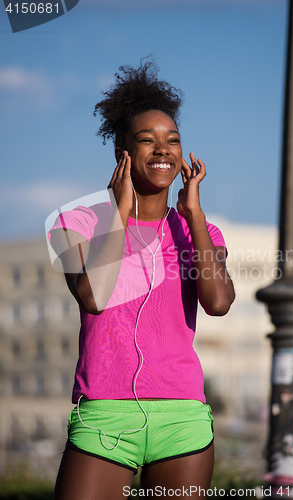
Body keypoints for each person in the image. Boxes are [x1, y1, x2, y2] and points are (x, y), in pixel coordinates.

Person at [50, 58, 235, 500]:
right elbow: (92, 297)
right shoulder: (76, 223)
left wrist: (193, 214)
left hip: (182, 420)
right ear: (123, 155)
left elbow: (219, 301)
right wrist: (117, 214)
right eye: (147, 141)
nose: (163, 150)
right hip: (104, 418)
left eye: (172, 140)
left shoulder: (201, 232)